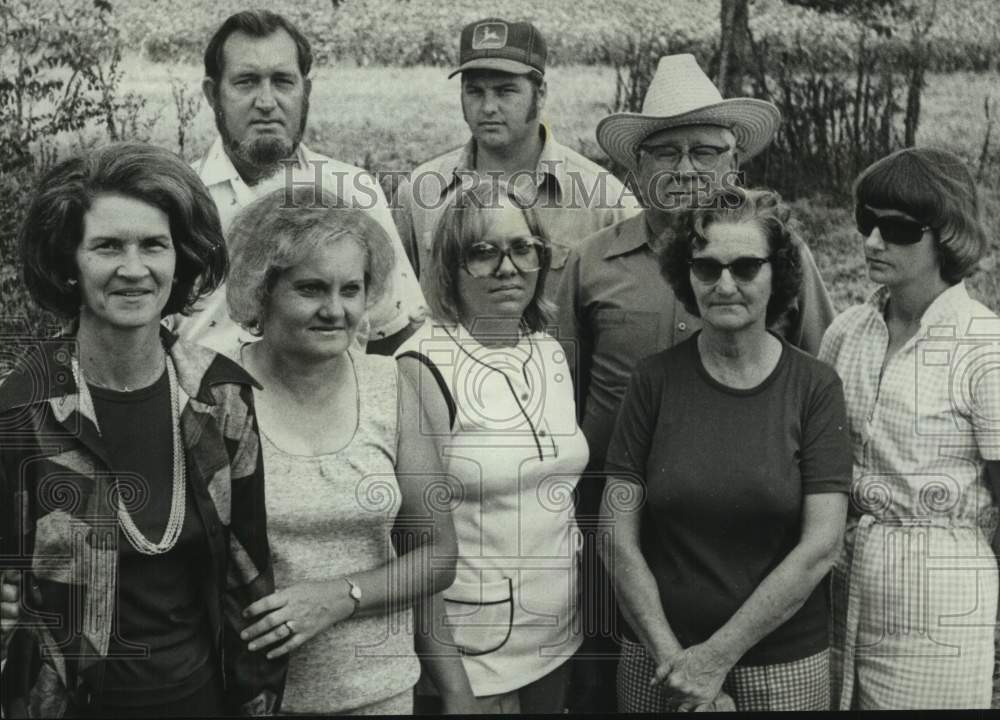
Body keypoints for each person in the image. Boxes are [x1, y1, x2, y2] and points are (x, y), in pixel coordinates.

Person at [553, 53, 838, 711]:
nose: (686, 170)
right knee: (610, 681)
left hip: (751, 527)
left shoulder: (781, 256)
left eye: (705, 153)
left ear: (733, 165)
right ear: (637, 167)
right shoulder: (590, 264)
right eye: (666, 153)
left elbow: (817, 371)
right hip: (617, 522)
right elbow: (562, 395)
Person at [0, 142, 285, 717]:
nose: (134, 268)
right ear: (68, 263)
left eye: (153, 245)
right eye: (107, 246)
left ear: (180, 260)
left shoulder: (221, 398)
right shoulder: (21, 409)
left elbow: (249, 582)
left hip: (202, 700)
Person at [600, 188, 851, 712]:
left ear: (777, 274)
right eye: (708, 268)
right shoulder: (653, 381)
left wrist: (715, 659)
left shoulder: (815, 386)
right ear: (686, 275)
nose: (726, 285)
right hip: (659, 660)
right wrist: (677, 664)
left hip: (783, 666)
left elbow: (821, 546)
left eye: (745, 267)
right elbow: (615, 538)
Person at [223, 186, 460, 715]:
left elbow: (439, 557)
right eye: (310, 288)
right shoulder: (218, 395)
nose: (335, 310)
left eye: (351, 289)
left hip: (381, 693)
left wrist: (340, 596)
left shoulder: (389, 385)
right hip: (255, 699)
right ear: (262, 290)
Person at [394, 179, 589, 713]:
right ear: (450, 267)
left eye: (522, 248)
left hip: (556, 636)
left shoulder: (548, 350)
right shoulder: (423, 366)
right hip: (474, 655)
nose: (508, 268)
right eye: (483, 252)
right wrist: (453, 688)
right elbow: (416, 546)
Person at [819, 148, 1000, 709]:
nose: (873, 242)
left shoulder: (983, 346)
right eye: (866, 223)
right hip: (843, 581)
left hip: (939, 600)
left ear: (948, 235)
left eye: (896, 229)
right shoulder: (848, 332)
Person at [171, 9, 426, 358]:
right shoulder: (177, 199)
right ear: (213, 94)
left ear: (305, 91)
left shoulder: (352, 192)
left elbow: (397, 330)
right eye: (246, 81)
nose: (266, 102)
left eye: (282, 81)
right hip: (204, 408)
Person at [392, 17, 640, 310]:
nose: (488, 107)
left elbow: (628, 318)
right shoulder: (421, 193)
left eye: (505, 91)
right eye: (475, 91)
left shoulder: (606, 202)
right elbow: (393, 306)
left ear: (541, 94)